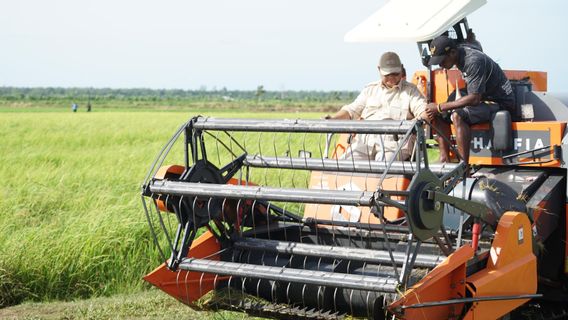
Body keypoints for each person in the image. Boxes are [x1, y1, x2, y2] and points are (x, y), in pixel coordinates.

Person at [325, 52, 431, 162]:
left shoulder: (411, 91)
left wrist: (417, 121)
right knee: (345, 165)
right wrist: (332, 119)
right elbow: (351, 111)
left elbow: (423, 112)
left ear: (401, 69)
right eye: (387, 75)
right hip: (365, 144)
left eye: (395, 74)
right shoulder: (370, 90)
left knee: (382, 168)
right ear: (379, 70)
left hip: (394, 145)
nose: (392, 78)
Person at [425, 35, 514, 165]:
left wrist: (439, 106)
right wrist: (439, 110)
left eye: (442, 60)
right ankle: (444, 158)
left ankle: (463, 168)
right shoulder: (461, 51)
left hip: (499, 102)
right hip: (483, 94)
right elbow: (474, 43)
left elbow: (474, 99)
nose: (440, 65)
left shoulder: (473, 61)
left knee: (457, 115)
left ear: (453, 52)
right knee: (438, 113)